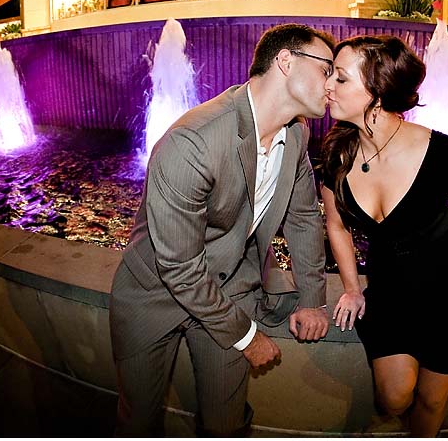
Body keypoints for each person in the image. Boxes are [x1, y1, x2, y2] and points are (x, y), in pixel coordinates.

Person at [109, 23, 334, 436]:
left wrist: (313, 299)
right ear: (286, 61)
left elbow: (304, 217)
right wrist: (248, 338)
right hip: (153, 292)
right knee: (138, 421)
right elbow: (178, 267)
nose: (333, 83)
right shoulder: (192, 142)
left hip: (230, 288)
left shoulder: (297, 135)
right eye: (327, 68)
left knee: (225, 426)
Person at [319, 35, 448, 437]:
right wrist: (351, 288)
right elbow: (336, 225)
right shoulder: (336, 157)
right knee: (393, 397)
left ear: (376, 91)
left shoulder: (446, 152)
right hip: (391, 290)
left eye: (340, 79)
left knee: (431, 400)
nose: (327, 86)